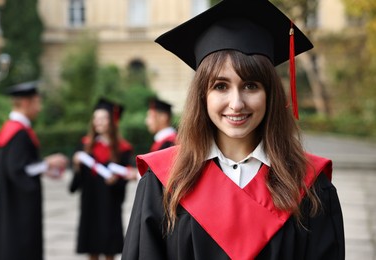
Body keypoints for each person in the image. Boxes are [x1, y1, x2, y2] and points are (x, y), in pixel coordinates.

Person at [121, 0, 345, 259]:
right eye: (220, 86)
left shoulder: (310, 185)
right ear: (201, 96)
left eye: (251, 85)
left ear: (269, 94)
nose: (236, 103)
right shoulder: (164, 181)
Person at [0, 81, 68, 260]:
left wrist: (43, 168)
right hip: (20, 206)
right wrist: (48, 163)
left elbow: (21, 166)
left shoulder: (13, 129)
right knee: (21, 246)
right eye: (37, 102)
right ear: (26, 103)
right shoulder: (19, 133)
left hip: (13, 202)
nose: (40, 108)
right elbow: (18, 169)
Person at [69, 97, 134, 260]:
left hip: (110, 205)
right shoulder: (85, 145)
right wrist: (76, 167)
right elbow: (76, 184)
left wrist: (116, 181)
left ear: (112, 121)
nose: (98, 122)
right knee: (92, 248)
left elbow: (124, 182)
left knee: (109, 247)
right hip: (90, 203)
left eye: (103, 118)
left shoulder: (122, 148)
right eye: (95, 118)